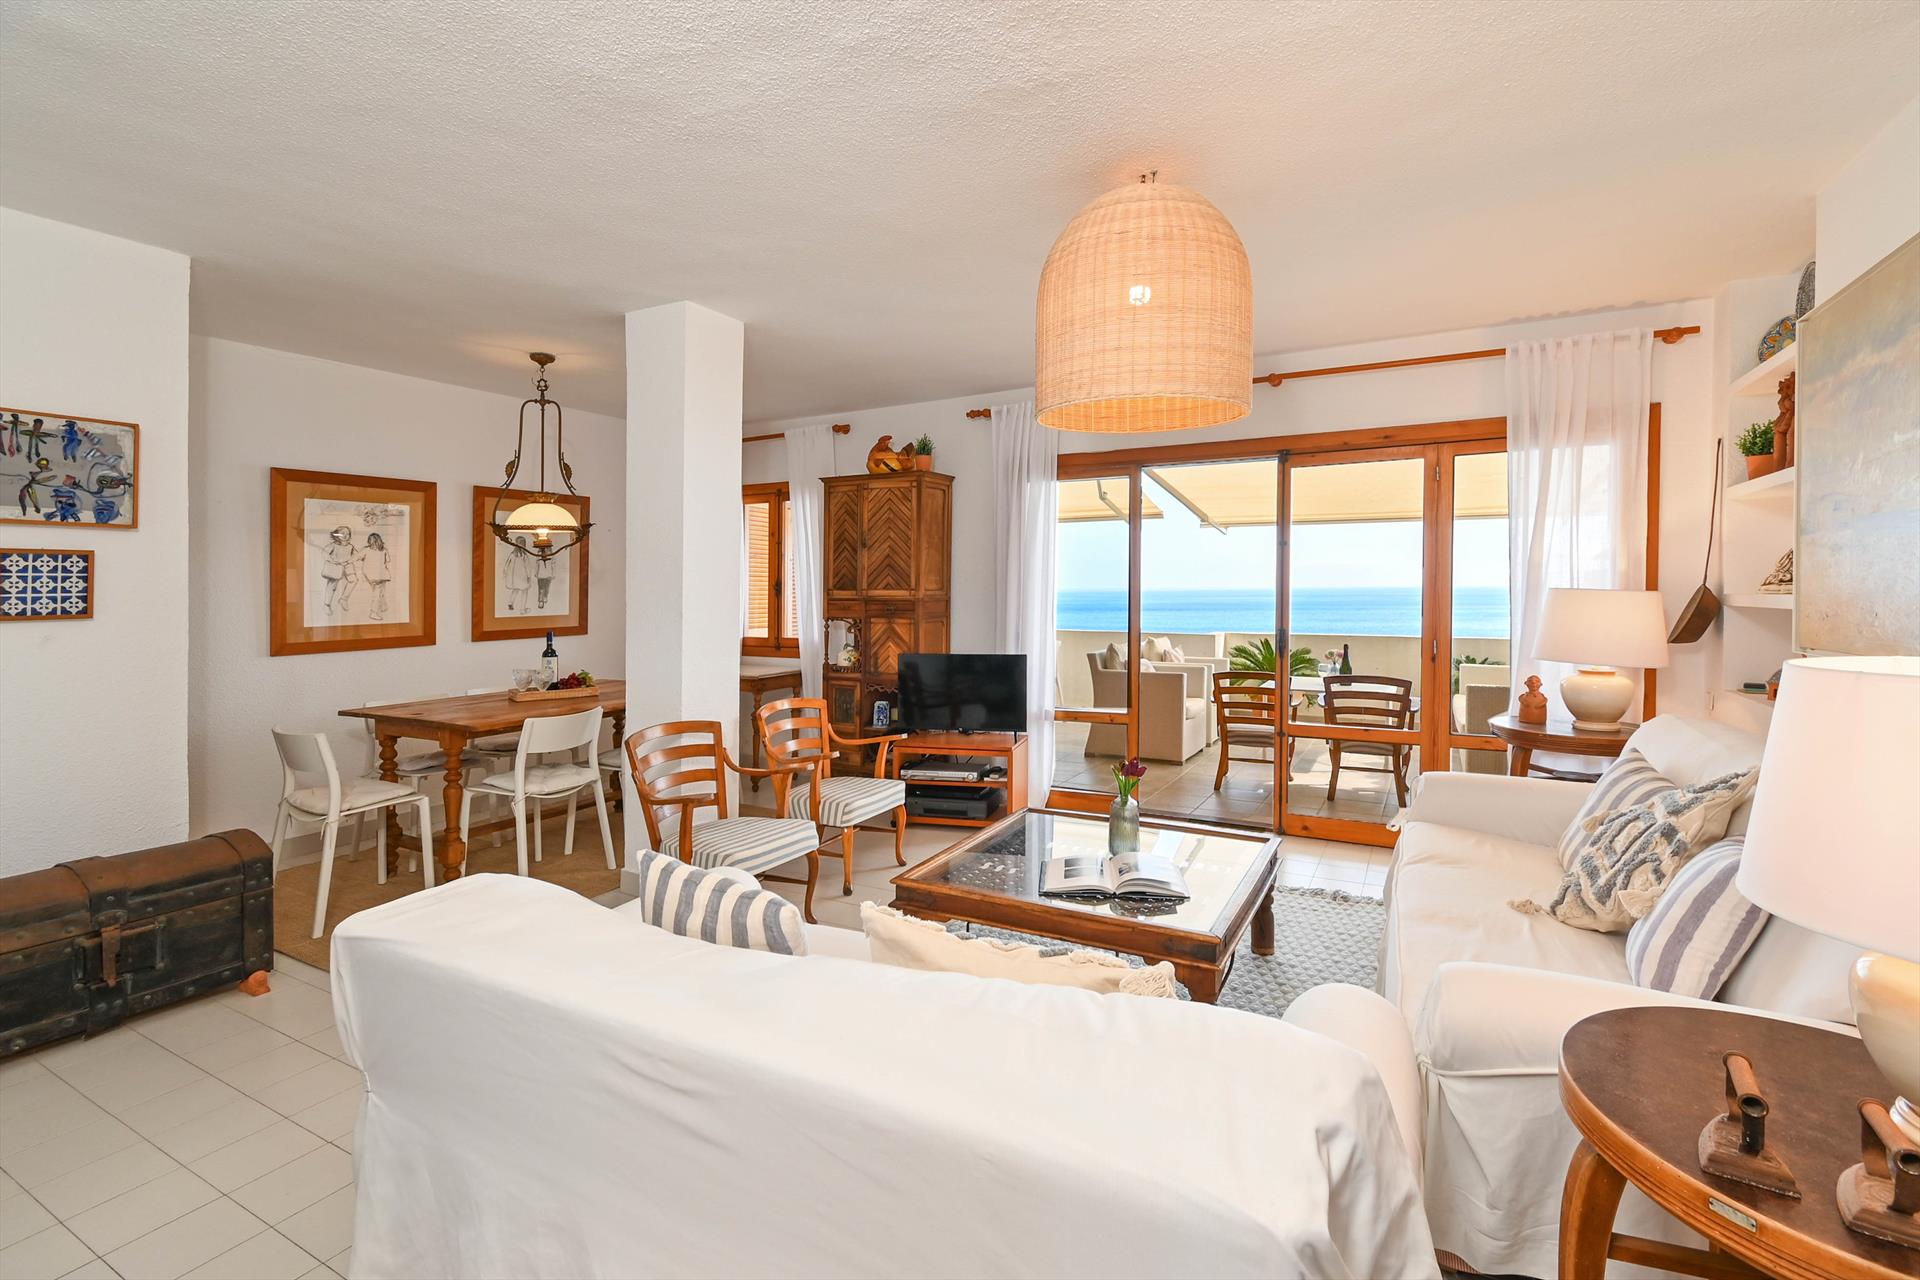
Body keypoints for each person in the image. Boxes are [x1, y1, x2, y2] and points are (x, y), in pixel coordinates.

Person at [363, 531, 392, 621]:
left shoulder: (382, 550)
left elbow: (388, 561)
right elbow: (387, 561)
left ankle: (382, 606)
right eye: (372, 542)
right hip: (374, 575)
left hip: (379, 574)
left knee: (381, 591)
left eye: (374, 541)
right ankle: (373, 612)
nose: (373, 544)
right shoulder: (369, 550)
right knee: (378, 592)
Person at [503, 535, 535, 613]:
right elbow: (528, 567)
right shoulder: (524, 555)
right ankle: (522, 609)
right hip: (523, 577)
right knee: (524, 591)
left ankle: (510, 603)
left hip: (514, 578)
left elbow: (506, 566)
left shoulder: (512, 554)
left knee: (515, 589)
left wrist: (505, 574)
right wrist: (529, 576)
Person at [534, 547, 556, 611]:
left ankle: (545, 596)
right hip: (541, 574)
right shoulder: (538, 555)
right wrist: (536, 573)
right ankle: (541, 601)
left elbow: (553, 565)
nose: (545, 550)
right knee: (541, 588)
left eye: (547, 548)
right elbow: (537, 564)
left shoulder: (552, 555)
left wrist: (553, 574)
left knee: (547, 587)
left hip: (548, 574)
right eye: (544, 548)